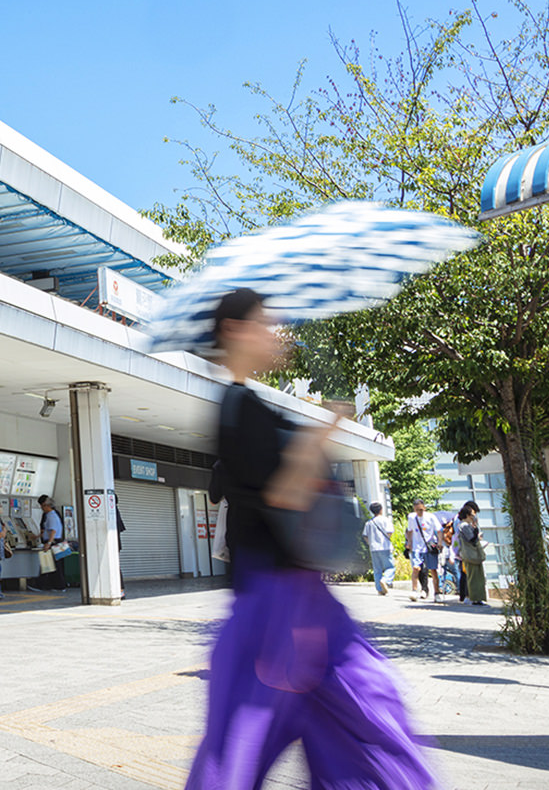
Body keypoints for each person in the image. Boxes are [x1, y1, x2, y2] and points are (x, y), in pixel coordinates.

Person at [187, 287, 433, 789]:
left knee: (362, 720)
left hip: (298, 601)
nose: (273, 332)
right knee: (250, 744)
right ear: (234, 331)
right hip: (275, 608)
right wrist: (322, 433)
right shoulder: (239, 407)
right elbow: (285, 495)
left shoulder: (250, 403)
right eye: (264, 322)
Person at [455, 502, 488, 606]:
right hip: (471, 555)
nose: (473, 517)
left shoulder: (463, 526)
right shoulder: (464, 526)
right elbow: (472, 539)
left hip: (470, 555)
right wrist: (475, 529)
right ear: (467, 515)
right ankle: (474, 598)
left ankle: (476, 598)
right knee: (474, 577)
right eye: (472, 515)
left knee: (476, 576)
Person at [407, 500, 439, 602]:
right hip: (417, 547)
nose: (419, 512)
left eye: (420, 509)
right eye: (417, 510)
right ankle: (414, 590)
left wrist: (440, 542)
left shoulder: (430, 517)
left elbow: (439, 530)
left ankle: (437, 592)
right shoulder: (412, 517)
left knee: (433, 570)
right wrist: (409, 543)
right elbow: (410, 530)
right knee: (416, 568)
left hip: (429, 547)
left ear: (424, 508)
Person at [362, 501, 395, 596]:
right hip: (385, 547)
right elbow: (389, 532)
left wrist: (370, 543)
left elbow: (365, 536)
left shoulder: (369, 522)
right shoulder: (385, 520)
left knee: (377, 569)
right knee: (390, 567)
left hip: (373, 548)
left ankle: (379, 589)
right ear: (381, 509)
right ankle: (385, 580)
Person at [34, 495, 66, 592]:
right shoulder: (52, 515)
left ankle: (57, 586)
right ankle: (55, 585)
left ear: (47, 505)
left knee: (51, 565)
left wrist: (48, 543)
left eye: (43, 506)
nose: (42, 508)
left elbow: (53, 531)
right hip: (56, 542)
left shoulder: (51, 515)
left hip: (53, 543)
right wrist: (38, 536)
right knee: (52, 565)